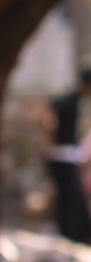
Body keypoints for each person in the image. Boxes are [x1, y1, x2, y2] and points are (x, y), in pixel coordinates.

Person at [47, 66, 91, 243]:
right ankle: (71, 235)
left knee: (72, 198)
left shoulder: (78, 99)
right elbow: (47, 112)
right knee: (70, 199)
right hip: (63, 154)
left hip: (68, 154)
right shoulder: (70, 99)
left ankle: (73, 235)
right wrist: (51, 137)